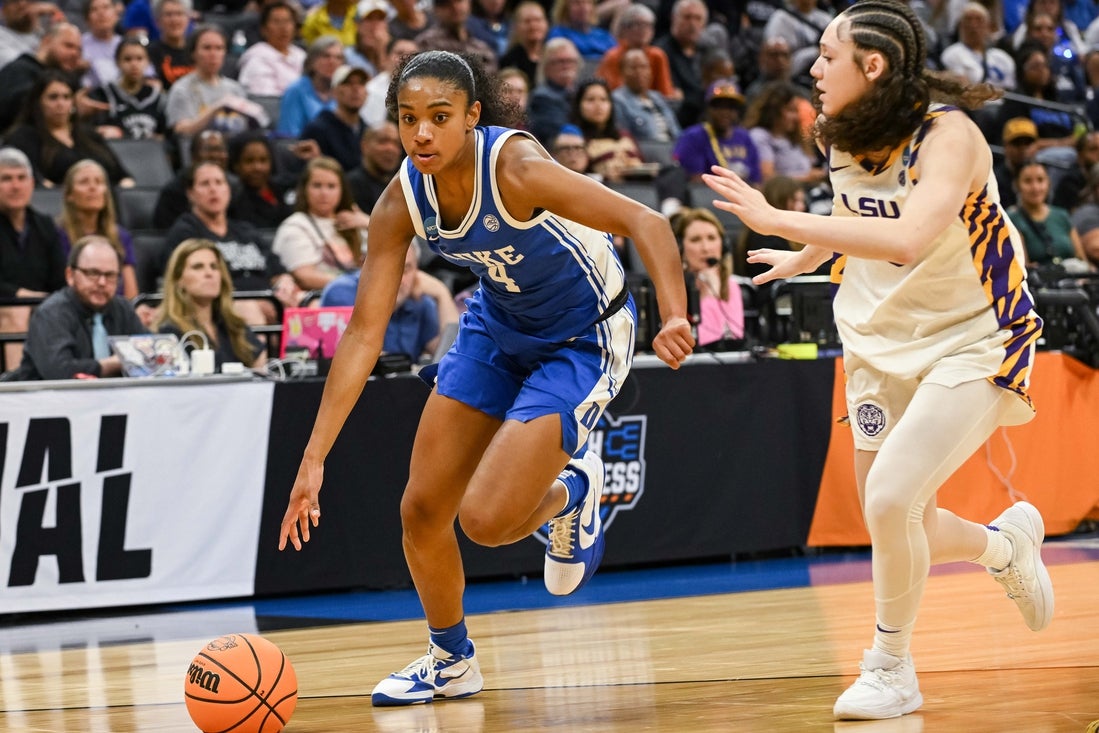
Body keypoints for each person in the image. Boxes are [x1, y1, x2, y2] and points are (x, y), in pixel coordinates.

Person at [277, 49, 693, 707]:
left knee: (487, 521)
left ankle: (573, 490)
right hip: (496, 326)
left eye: (439, 117)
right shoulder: (401, 199)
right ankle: (451, 660)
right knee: (421, 510)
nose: (421, 133)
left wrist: (674, 315)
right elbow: (362, 333)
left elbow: (647, 221)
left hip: (583, 334)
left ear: (472, 116)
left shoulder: (517, 168)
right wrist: (313, 458)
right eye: (408, 118)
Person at [703, 0, 1054, 720]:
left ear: (872, 65)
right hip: (875, 334)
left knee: (893, 497)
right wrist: (805, 254)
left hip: (973, 332)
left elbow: (908, 235)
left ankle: (890, 668)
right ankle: (1002, 547)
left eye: (828, 55)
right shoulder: (837, 126)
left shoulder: (948, 137)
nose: (813, 67)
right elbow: (855, 209)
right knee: (893, 515)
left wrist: (773, 218)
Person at [7, 235, 147, 380]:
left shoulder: (123, 309)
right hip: (50, 394)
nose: (102, 282)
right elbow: (60, 372)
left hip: (116, 394)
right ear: (70, 275)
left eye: (110, 275)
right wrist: (114, 363)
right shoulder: (51, 313)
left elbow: (149, 355)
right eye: (93, 273)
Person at [320, 238, 460, 360]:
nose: (398, 279)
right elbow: (356, 357)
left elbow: (451, 356)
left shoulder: (419, 300)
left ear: (417, 271)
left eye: (406, 269)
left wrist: (443, 295)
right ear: (365, 266)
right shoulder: (341, 294)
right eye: (390, 268)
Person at [4, 70, 134, 188]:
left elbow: (123, 175)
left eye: (66, 97)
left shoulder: (88, 134)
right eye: (53, 97)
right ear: (38, 102)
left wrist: (125, 188)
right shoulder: (23, 137)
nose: (61, 104)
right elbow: (35, 180)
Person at [155, 237, 267, 369]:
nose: (209, 273)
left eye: (214, 267)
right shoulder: (169, 333)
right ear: (178, 280)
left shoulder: (234, 326)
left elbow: (261, 370)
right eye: (198, 267)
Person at [0, 147, 66, 370]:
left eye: (21, 178)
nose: (15, 185)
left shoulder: (45, 225)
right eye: (6, 179)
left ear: (31, 184)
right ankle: (16, 384)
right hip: (7, 308)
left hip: (41, 306)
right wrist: (20, 295)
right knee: (15, 312)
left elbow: (60, 280)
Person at [166, 25, 270, 163]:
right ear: (193, 53)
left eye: (219, 48)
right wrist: (216, 109)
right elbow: (182, 131)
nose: (213, 54)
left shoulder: (235, 88)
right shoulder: (182, 89)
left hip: (235, 157)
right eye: (207, 48)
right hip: (202, 157)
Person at [272, 156, 369, 291]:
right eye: (317, 185)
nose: (324, 193)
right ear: (304, 189)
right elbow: (305, 277)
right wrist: (358, 285)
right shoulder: (295, 226)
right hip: (320, 297)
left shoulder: (356, 221)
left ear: (342, 190)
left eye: (331, 186)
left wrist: (369, 223)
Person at [56, 159, 140, 299]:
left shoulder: (121, 236)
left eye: (99, 182)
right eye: (84, 182)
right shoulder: (56, 235)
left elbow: (131, 295)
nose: (93, 187)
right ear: (69, 195)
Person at [672, 206, 744, 349]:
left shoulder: (730, 285)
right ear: (680, 247)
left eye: (711, 238)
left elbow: (732, 339)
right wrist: (708, 295)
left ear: (723, 246)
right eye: (695, 240)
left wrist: (712, 290)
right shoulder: (671, 289)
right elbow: (702, 342)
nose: (705, 248)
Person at [675, 78, 761, 184]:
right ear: (708, 108)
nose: (725, 112)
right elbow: (695, 185)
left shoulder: (744, 137)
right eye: (719, 106)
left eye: (731, 107)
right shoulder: (693, 137)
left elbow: (756, 181)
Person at [1008, 159, 1088, 267]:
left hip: (1072, 275)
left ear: (1048, 183)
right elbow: (1021, 266)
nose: (1035, 187)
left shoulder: (1062, 215)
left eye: (1040, 180)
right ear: (1017, 185)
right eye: (1027, 181)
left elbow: (1082, 258)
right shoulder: (1011, 219)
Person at [743, 81, 825, 185]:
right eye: (790, 110)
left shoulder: (794, 137)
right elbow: (768, 178)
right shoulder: (760, 136)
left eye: (796, 111)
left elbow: (808, 168)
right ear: (774, 111)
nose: (796, 117)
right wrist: (807, 178)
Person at [89, 38, 170, 141]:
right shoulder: (104, 94)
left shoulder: (158, 98)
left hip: (151, 150)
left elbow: (166, 134)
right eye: (127, 59)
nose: (134, 64)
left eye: (139, 59)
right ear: (117, 62)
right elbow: (92, 131)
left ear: (148, 62)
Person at [300, 64, 368, 172]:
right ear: (334, 92)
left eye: (361, 83)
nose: (356, 89)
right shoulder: (317, 130)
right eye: (347, 83)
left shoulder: (368, 131)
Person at [276, 36, 344, 139]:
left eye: (338, 58)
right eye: (326, 56)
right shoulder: (296, 91)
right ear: (312, 62)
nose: (332, 62)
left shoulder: (343, 92)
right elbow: (289, 135)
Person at [227, 131, 296, 230]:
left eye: (263, 160)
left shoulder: (279, 188)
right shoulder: (234, 200)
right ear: (236, 165)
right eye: (249, 161)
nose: (258, 167)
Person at [237, 1, 307, 98]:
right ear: (264, 29)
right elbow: (266, 99)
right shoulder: (257, 58)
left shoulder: (301, 55)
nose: (284, 28)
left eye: (287, 21)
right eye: (277, 22)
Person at [346, 120, 404, 214]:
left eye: (396, 144)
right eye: (383, 141)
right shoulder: (350, 186)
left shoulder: (404, 184)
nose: (390, 149)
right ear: (364, 146)